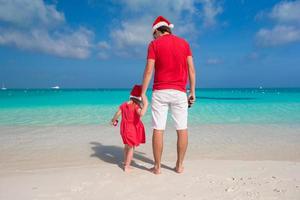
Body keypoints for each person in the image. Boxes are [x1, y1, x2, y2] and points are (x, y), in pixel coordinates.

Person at [141, 16, 196, 174]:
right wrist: (192, 91)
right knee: (182, 128)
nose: (153, 37)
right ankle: (179, 166)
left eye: (154, 34)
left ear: (158, 31)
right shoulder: (184, 43)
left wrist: (143, 93)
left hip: (160, 92)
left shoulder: (154, 45)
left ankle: (157, 167)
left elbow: (149, 71)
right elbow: (191, 69)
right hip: (179, 92)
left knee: (158, 129)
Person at [111, 85, 148, 172]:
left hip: (124, 128)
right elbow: (141, 114)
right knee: (131, 147)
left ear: (131, 95)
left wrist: (113, 120)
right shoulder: (136, 106)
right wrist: (146, 104)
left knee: (127, 146)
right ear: (140, 98)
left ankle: (125, 162)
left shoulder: (124, 104)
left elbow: (118, 113)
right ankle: (127, 166)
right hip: (132, 129)